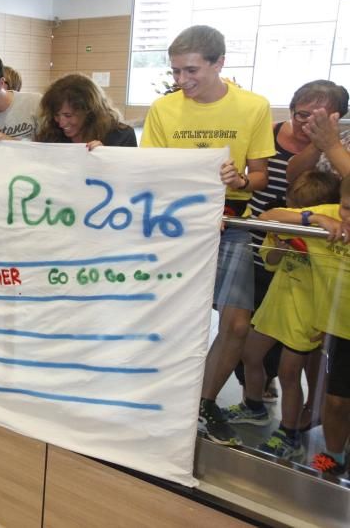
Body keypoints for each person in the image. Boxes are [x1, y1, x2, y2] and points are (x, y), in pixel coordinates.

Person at [140, 25, 274, 446]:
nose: (182, 81)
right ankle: (162, 397)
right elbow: (151, 172)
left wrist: (240, 179)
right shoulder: (164, 110)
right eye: (176, 72)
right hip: (176, 228)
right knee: (171, 319)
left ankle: (205, 400)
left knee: (235, 325)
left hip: (231, 226)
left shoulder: (254, 107)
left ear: (219, 63)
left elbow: (260, 176)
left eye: (191, 70)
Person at [240, 81, 349, 408]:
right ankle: (258, 398)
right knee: (258, 328)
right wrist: (319, 144)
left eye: (313, 115)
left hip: (326, 257)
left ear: (336, 115)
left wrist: (330, 143)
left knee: (311, 353)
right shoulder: (275, 132)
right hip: (278, 238)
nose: (304, 122)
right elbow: (290, 174)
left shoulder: (342, 143)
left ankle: (307, 415)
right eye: (299, 114)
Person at [231, 171, 340, 460]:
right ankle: (254, 406)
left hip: (306, 317)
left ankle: (289, 434)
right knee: (250, 355)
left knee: (290, 375)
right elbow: (271, 261)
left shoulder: (331, 236)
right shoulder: (288, 225)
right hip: (276, 306)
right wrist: (281, 245)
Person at [258, 174, 350, 477]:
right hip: (340, 331)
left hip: (324, 324)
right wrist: (314, 217)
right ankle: (334, 455)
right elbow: (268, 216)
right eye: (347, 208)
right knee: (336, 402)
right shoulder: (327, 220)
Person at [35, 74, 136, 147]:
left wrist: (105, 156)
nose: (61, 123)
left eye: (68, 115)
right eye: (56, 115)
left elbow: (128, 173)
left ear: (89, 111)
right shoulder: (52, 135)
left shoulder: (121, 137)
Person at [287, 85, 350, 181]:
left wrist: (332, 146)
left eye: (320, 118)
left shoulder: (340, 141)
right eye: (303, 115)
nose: (309, 124)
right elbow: (291, 177)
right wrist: (318, 144)